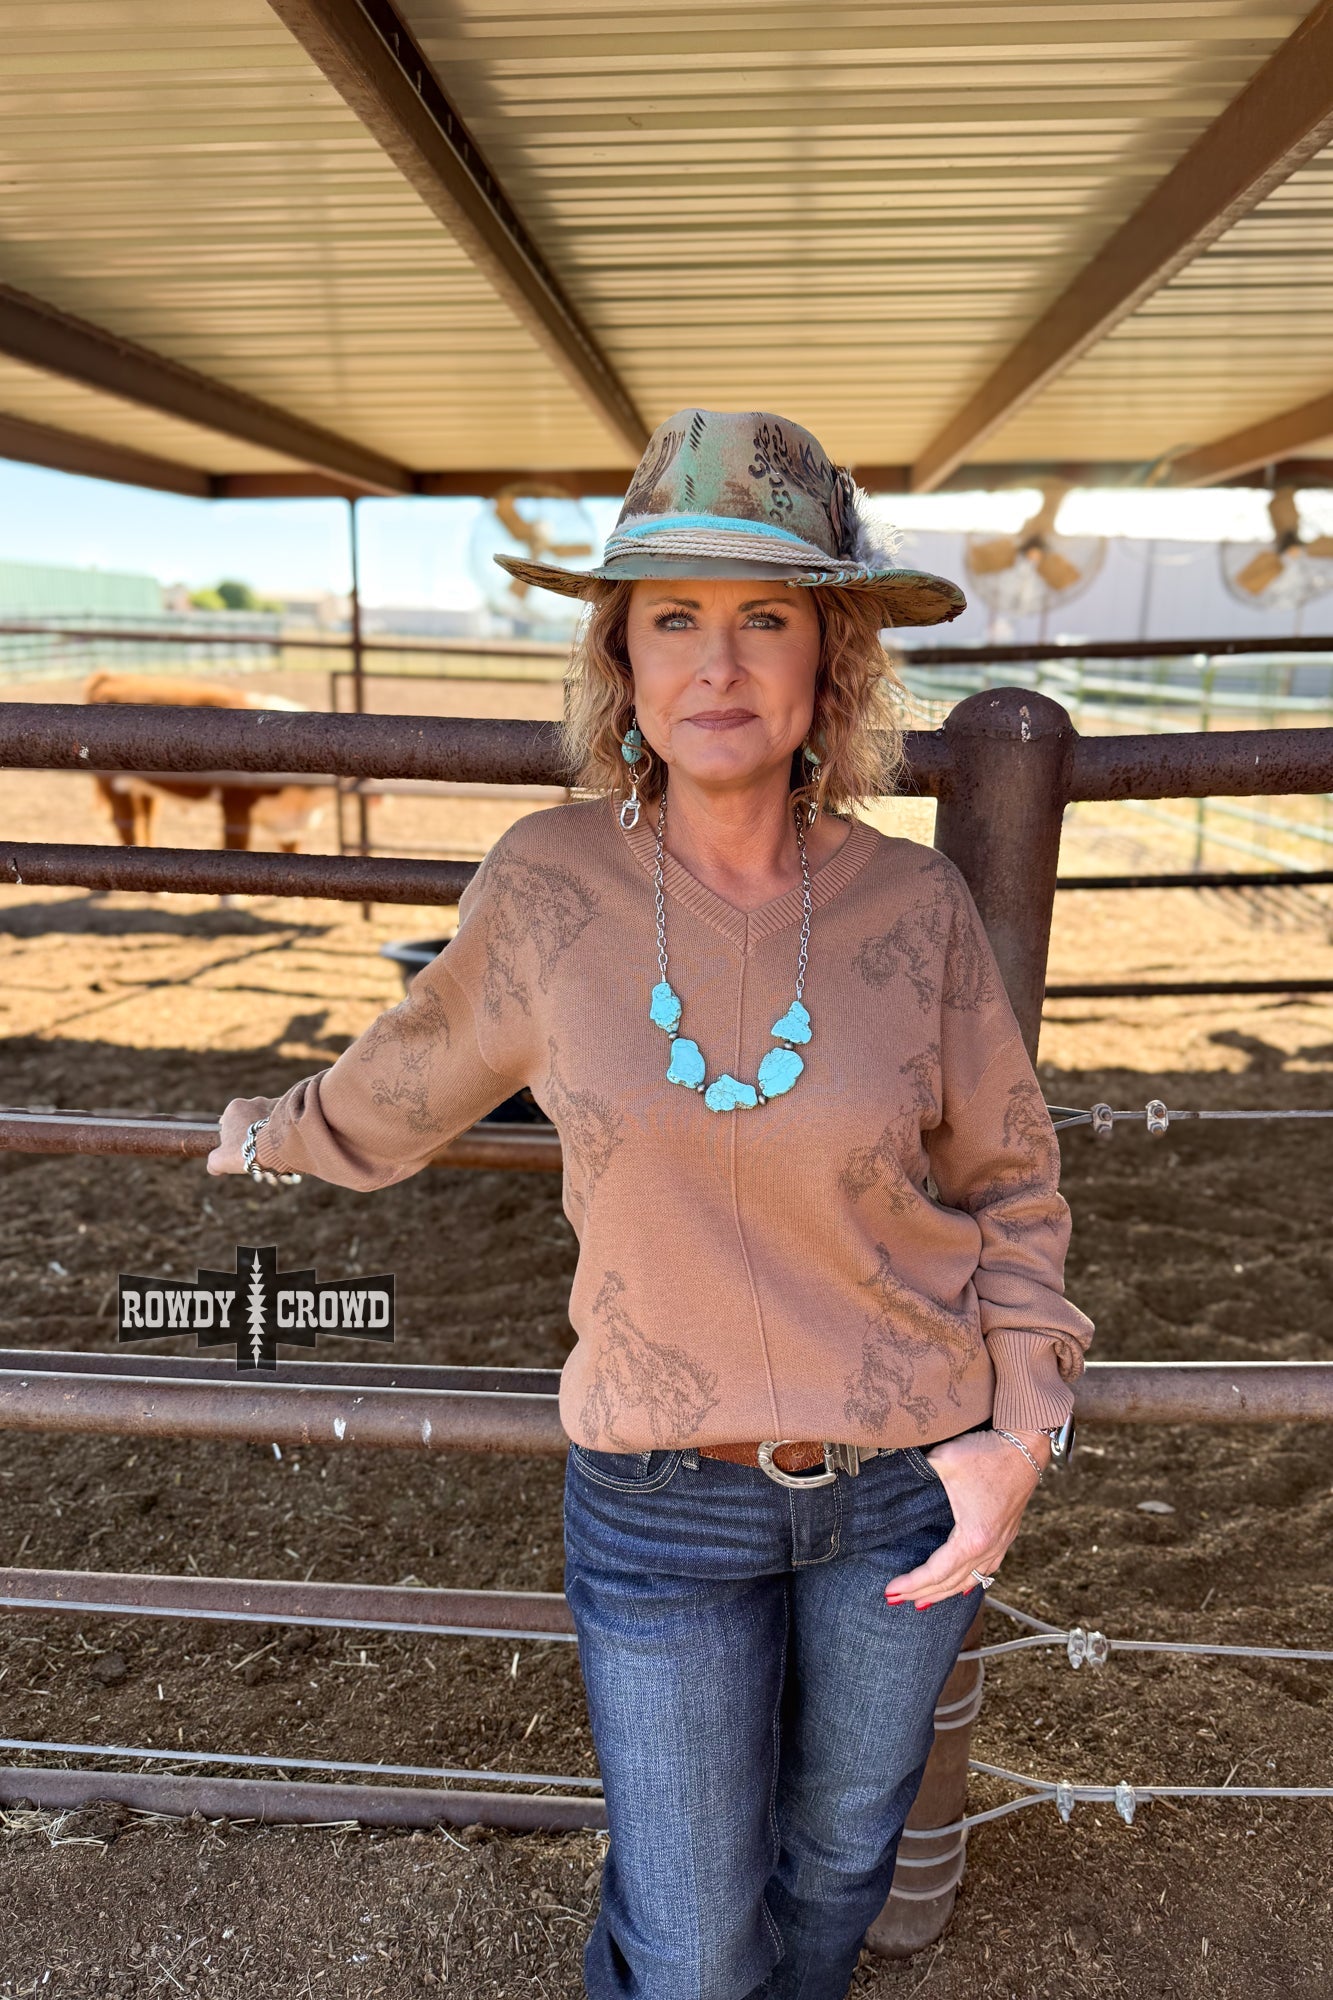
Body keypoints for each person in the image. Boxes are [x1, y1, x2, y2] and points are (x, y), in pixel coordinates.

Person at [209, 409, 1094, 2000]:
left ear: (830, 661)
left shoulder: (914, 903)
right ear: (620, 657)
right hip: (657, 1498)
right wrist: (272, 1136)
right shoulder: (548, 888)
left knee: (840, 1866)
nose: (719, 664)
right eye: (673, 618)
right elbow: (408, 1073)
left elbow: (1010, 1180)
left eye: (767, 619)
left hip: (905, 1483)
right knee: (688, 1946)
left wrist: (1021, 1430)